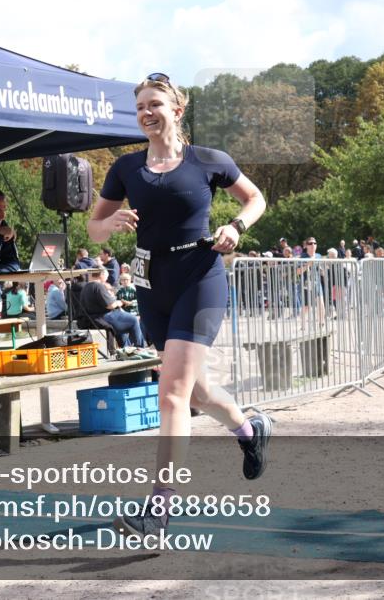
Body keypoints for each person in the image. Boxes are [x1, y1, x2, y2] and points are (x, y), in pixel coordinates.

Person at [88, 73, 270, 538]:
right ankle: (250, 431)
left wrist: (236, 227)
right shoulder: (126, 168)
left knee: (170, 394)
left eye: (155, 105)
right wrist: (113, 222)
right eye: (141, 107)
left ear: (177, 111)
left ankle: (159, 509)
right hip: (152, 286)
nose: (147, 113)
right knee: (194, 392)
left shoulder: (209, 160)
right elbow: (94, 229)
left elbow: (255, 198)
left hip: (200, 276)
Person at [79, 268, 146, 346]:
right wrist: (120, 302)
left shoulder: (85, 287)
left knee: (122, 324)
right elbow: (110, 305)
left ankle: (125, 349)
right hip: (104, 317)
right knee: (134, 320)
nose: (106, 279)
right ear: (101, 275)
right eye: (106, 277)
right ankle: (140, 348)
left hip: (92, 319)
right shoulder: (98, 286)